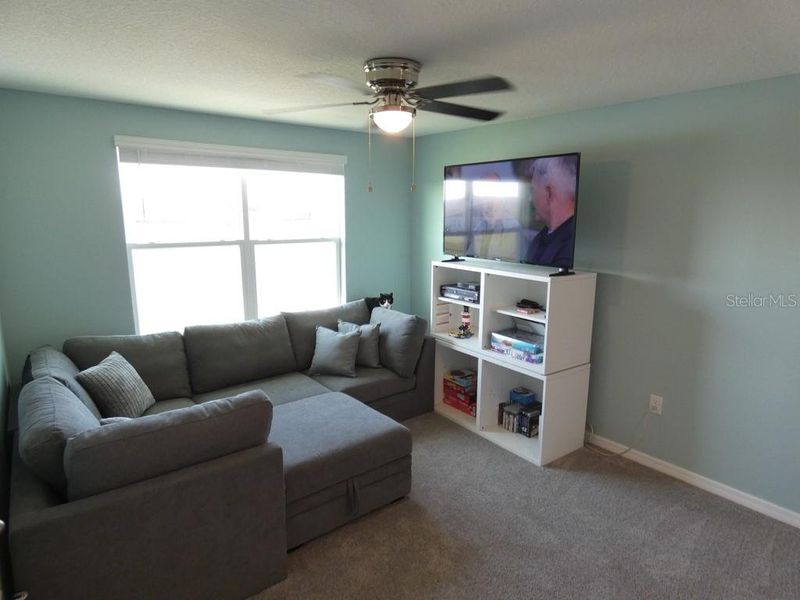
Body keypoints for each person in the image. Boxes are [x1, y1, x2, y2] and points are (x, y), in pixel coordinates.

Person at [523, 156, 577, 267]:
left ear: (549, 192)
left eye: (533, 190)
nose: (529, 198)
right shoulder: (541, 239)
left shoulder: (568, 249)